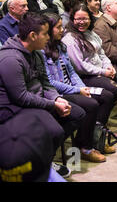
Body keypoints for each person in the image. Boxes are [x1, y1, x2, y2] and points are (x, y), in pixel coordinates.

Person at [0, 12, 86, 177]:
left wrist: (57, 98)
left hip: (36, 100)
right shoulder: (10, 59)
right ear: (33, 35)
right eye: (45, 33)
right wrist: (52, 105)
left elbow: (45, 83)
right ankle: (39, 163)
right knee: (55, 131)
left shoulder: (37, 52)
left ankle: (44, 157)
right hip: (13, 108)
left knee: (77, 114)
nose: (49, 37)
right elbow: (21, 97)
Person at [42, 12, 113, 162]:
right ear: (48, 29)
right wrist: (77, 90)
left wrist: (83, 88)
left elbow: (72, 72)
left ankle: (96, 138)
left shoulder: (60, 46)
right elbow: (49, 82)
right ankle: (85, 147)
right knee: (92, 104)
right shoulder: (41, 51)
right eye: (58, 27)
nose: (62, 30)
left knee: (106, 96)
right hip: (59, 93)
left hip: (74, 88)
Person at [62, 4, 117, 112]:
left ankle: (102, 114)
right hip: (86, 76)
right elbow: (79, 66)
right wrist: (103, 72)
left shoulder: (91, 33)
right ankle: (98, 121)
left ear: (90, 19)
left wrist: (108, 66)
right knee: (115, 89)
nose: (82, 22)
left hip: (102, 70)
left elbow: (101, 54)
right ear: (72, 20)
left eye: (85, 18)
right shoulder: (70, 39)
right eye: (78, 19)